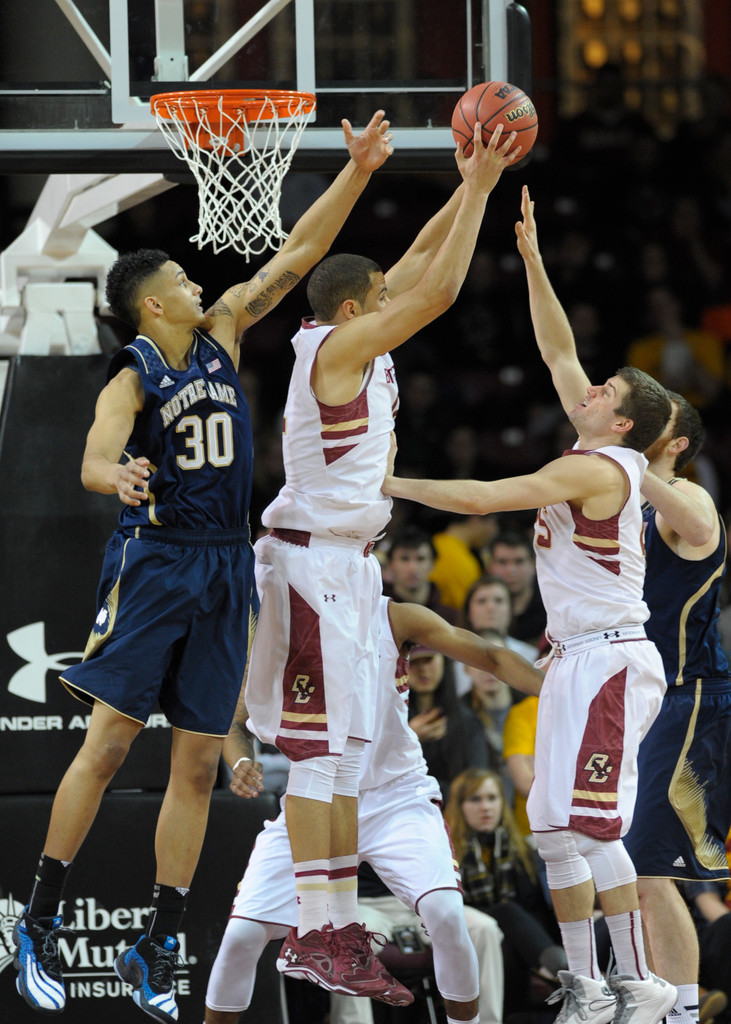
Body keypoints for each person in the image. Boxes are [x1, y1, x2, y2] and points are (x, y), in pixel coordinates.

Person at [11, 110, 396, 1021]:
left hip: (226, 567)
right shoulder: (133, 373)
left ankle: (157, 940)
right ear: (153, 304)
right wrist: (118, 474)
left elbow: (299, 254)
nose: (197, 281)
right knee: (109, 746)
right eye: (180, 279)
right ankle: (40, 922)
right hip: (156, 562)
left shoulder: (223, 328)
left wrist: (358, 172)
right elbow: (92, 459)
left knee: (195, 767)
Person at [382, 185, 679, 1024]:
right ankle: (588, 986)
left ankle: (638, 981)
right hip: (572, 658)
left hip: (612, 657)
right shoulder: (595, 440)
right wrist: (533, 261)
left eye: (603, 391)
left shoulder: (598, 469)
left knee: (591, 829)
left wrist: (389, 482)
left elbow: (483, 498)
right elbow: (556, 352)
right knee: (550, 829)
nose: (588, 389)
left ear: (620, 425)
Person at [243, 121, 521, 999]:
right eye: (380, 297)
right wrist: (482, 192)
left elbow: (418, 260)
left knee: (343, 752)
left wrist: (466, 180)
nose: (391, 296)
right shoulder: (335, 349)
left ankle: (331, 931)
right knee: (318, 755)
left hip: (350, 569)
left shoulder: (356, 328)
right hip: (311, 566)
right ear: (355, 311)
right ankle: (314, 930)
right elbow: (437, 291)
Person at [205, 595, 545, 1024]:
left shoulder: (393, 615)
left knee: (446, 914)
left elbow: (492, 656)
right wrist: (240, 760)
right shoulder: (278, 626)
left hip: (396, 796)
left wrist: (560, 690)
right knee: (240, 936)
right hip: (315, 799)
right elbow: (235, 719)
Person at [621, 392, 731, 1024]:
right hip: (630, 694)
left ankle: (682, 1013)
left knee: (648, 869)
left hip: (685, 696)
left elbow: (696, 529)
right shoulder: (624, 502)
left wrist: (624, 461)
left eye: (652, 412)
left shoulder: (689, 496)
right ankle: (651, 1000)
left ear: (677, 442)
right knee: (620, 867)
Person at [444, 768, 567, 1019]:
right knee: (505, 914)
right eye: (475, 799)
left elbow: (535, 908)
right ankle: (562, 970)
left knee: (511, 924)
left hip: (521, 943)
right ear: (459, 806)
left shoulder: (519, 849)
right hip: (472, 938)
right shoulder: (446, 854)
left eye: (492, 798)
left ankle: (561, 974)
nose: (485, 807)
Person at [407, 644, 489, 800]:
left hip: (456, 807)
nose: (423, 669)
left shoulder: (468, 722)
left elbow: (477, 781)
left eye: (428, 660)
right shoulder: (390, 720)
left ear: (443, 662)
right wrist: (409, 738)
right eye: (414, 662)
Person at [382, 525, 458, 625]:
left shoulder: (451, 618)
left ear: (433, 564)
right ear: (390, 564)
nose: (413, 568)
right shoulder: (378, 612)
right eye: (404, 559)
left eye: (420, 559)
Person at [487, 532, 547, 649]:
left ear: (534, 564)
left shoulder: (551, 606)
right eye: (502, 562)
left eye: (519, 561)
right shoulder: (480, 603)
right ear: (490, 566)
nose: (511, 570)